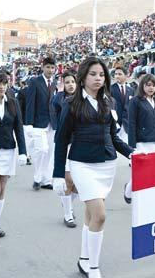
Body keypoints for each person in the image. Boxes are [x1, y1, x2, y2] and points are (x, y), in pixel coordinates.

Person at [52, 57, 133, 278]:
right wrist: (59, 174)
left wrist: (131, 154)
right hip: (82, 164)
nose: (98, 78)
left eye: (101, 75)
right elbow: (61, 139)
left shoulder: (108, 102)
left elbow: (114, 137)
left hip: (106, 164)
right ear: (83, 77)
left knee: (90, 215)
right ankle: (94, 267)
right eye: (93, 74)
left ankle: (84, 259)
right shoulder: (71, 104)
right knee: (100, 215)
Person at [0, 69, 27, 240]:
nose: (2, 86)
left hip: (8, 151)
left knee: (2, 190)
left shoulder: (13, 102)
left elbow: (19, 128)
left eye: (4, 83)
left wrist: (23, 152)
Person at [124, 74, 155, 204]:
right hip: (142, 143)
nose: (151, 88)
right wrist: (132, 146)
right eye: (148, 85)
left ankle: (150, 197)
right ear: (142, 85)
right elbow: (131, 123)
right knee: (140, 172)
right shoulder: (135, 101)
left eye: (153, 85)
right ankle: (128, 190)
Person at [25, 57, 58, 190]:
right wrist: (29, 123)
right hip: (39, 122)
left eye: (52, 67)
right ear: (43, 67)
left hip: (52, 122)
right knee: (42, 150)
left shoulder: (55, 82)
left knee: (49, 152)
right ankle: (37, 178)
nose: (50, 70)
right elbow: (30, 103)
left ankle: (45, 180)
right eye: (48, 67)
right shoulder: (35, 82)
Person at [51, 71, 78, 228]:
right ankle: (68, 215)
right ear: (63, 84)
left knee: (78, 185)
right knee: (69, 180)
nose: (70, 85)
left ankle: (66, 202)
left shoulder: (82, 98)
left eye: (73, 82)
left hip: (80, 144)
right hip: (65, 142)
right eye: (67, 82)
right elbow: (55, 119)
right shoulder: (58, 99)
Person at [110, 66, 135, 143]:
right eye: (116, 74)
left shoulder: (131, 90)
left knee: (127, 147)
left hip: (127, 124)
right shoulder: (110, 89)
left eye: (120, 74)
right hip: (115, 124)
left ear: (126, 75)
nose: (117, 76)